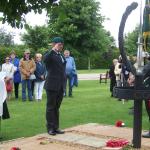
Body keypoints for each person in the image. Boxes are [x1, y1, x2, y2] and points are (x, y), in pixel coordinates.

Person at [43, 37, 66, 135]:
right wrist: (53, 49)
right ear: (55, 44)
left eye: (62, 44)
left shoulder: (61, 55)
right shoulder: (50, 55)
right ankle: (50, 128)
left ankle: (56, 127)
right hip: (52, 85)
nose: (61, 46)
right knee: (50, 107)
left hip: (60, 85)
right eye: (59, 44)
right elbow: (45, 60)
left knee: (57, 107)